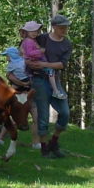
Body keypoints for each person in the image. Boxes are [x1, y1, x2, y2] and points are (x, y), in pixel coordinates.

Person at [24, 15, 73, 158]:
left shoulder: (66, 44)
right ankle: (44, 148)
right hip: (39, 80)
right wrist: (27, 62)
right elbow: (26, 49)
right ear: (54, 27)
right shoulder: (42, 38)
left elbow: (62, 64)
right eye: (62, 27)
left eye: (66, 27)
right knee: (43, 115)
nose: (64, 30)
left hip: (54, 79)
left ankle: (54, 142)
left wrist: (44, 64)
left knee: (65, 112)